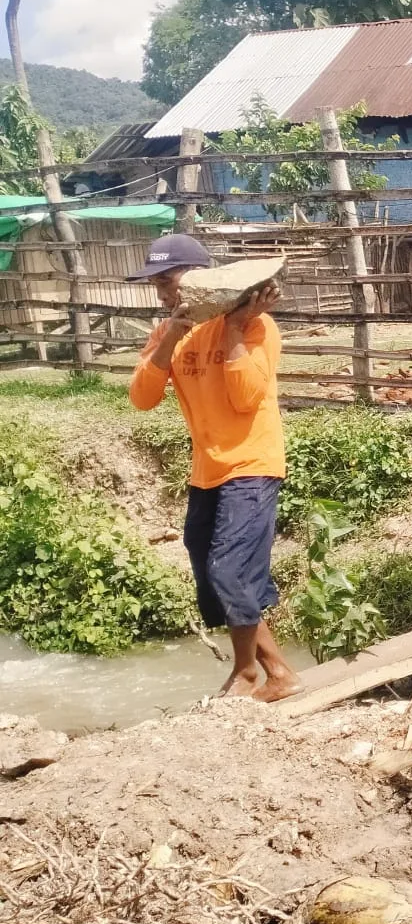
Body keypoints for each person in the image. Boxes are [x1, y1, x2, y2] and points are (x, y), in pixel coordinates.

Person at [127, 234, 301, 702]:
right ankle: (279, 671)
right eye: (157, 284)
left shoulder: (256, 326)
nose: (162, 293)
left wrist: (235, 329)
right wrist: (169, 339)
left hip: (252, 463)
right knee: (210, 569)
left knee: (230, 569)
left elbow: (245, 399)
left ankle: (247, 673)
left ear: (201, 278)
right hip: (207, 469)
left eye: (168, 281)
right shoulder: (168, 332)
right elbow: (142, 398)